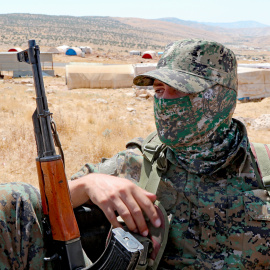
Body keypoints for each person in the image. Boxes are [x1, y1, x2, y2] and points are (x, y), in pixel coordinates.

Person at [1, 38, 270, 269]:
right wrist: (89, 184)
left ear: (221, 98)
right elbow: (52, 202)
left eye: (180, 90)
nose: (164, 101)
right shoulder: (139, 162)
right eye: (159, 90)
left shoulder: (263, 169)